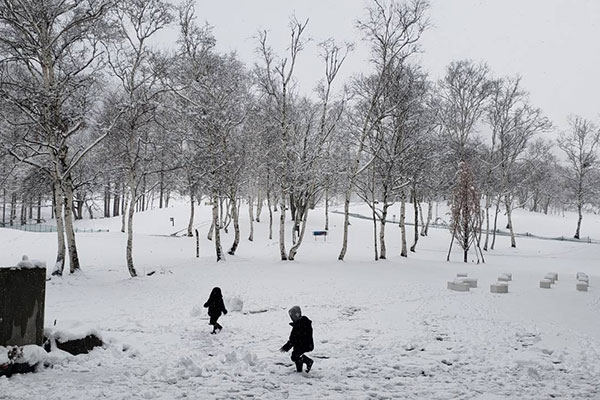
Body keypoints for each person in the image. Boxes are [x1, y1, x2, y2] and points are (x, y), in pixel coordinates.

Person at [279, 305, 314, 373]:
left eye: (292, 317)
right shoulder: (304, 322)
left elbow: (293, 339)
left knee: (295, 356)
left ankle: (308, 361)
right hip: (306, 344)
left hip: (302, 344)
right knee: (296, 355)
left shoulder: (299, 326)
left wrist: (286, 347)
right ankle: (299, 370)